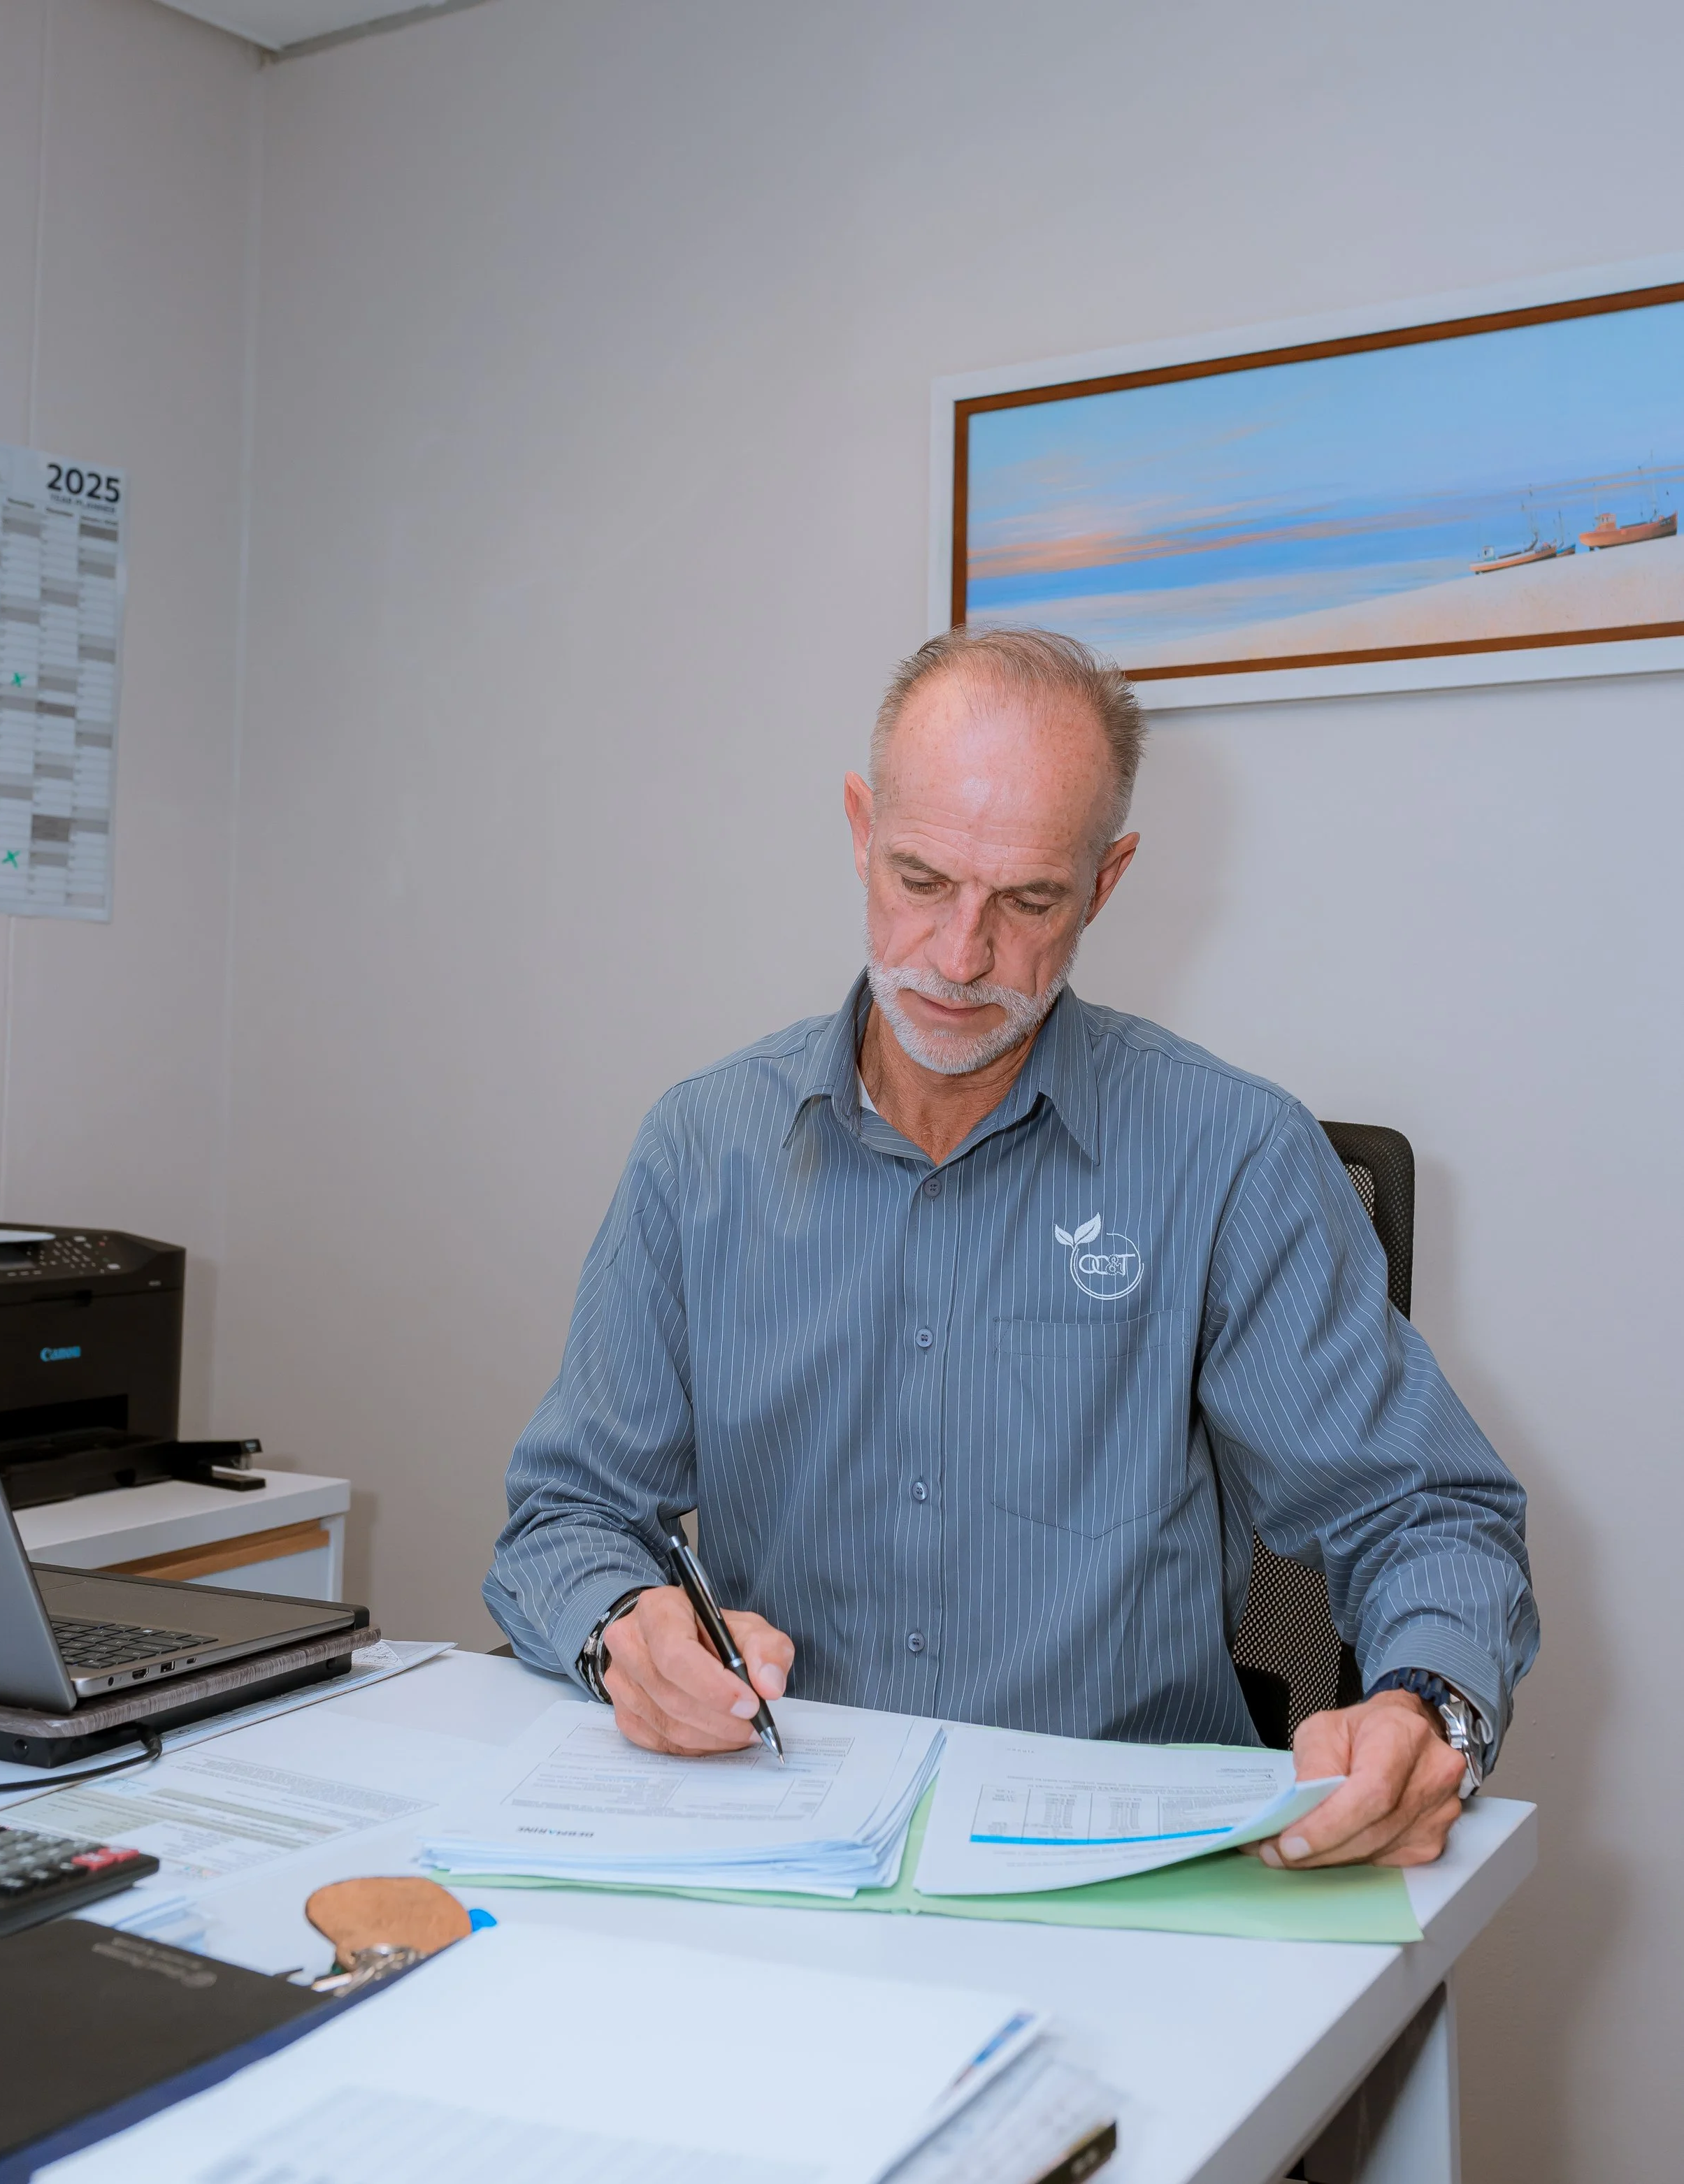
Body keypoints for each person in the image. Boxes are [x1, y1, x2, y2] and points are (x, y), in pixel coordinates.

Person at [486, 628, 1537, 1870]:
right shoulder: (702, 1148)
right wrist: (622, 1627)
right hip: (781, 1837)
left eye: (1028, 900)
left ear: (1105, 882)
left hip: (1124, 1858)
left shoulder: (1235, 1152)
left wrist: (1433, 1708)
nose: (959, 957)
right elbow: (566, 1514)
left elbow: (1425, 1513)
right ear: (861, 830)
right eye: (923, 879)